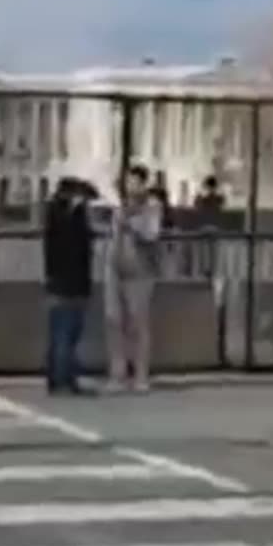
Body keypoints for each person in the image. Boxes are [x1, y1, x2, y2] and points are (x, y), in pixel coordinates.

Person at [104, 165, 163, 393]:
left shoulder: (151, 207)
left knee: (138, 323)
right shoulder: (120, 208)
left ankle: (141, 375)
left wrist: (131, 222)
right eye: (127, 182)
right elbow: (113, 234)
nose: (130, 187)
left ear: (143, 183)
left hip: (140, 272)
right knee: (114, 321)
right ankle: (117, 374)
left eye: (135, 182)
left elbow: (152, 234)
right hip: (115, 268)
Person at [42, 177, 95, 395]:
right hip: (71, 282)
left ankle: (56, 378)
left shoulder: (53, 214)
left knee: (59, 332)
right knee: (67, 332)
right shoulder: (71, 217)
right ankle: (65, 379)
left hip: (58, 280)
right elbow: (79, 249)